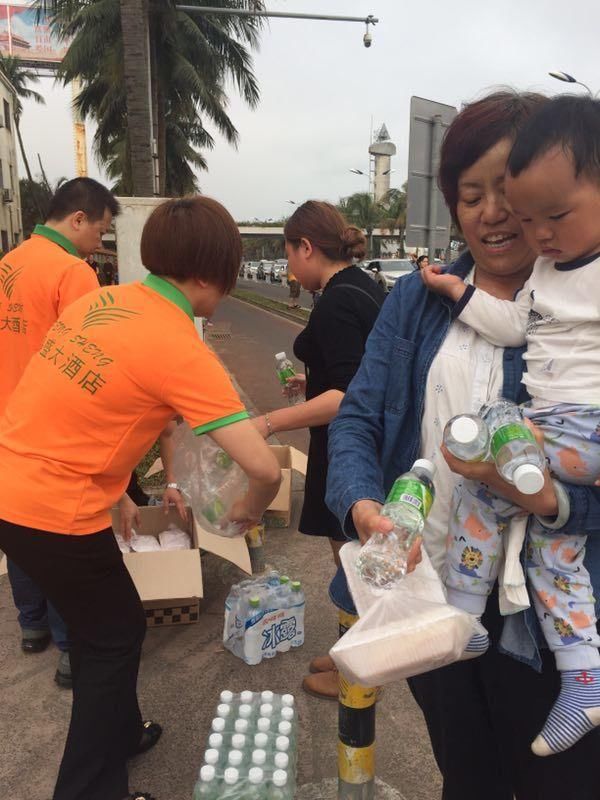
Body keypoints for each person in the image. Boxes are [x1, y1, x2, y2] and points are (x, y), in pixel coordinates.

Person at [326, 91, 600, 799]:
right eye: (469, 194)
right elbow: (357, 419)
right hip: (438, 599)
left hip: (548, 621)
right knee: (466, 778)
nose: (492, 212)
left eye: (506, 190)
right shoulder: (418, 299)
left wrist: (551, 502)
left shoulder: (584, 312)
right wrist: (363, 507)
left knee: (556, 784)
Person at [0, 196, 282, 800]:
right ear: (210, 276)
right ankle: (87, 790)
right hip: (57, 510)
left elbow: (85, 407)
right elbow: (262, 466)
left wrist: (119, 491)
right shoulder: (179, 345)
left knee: (110, 621)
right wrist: (248, 511)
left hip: (12, 487)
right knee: (111, 640)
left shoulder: (103, 300)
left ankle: (123, 732)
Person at [422, 94, 600, 757]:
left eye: (553, 216)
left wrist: (555, 496)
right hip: (553, 434)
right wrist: (454, 294)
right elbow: (514, 323)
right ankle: (584, 676)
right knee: (554, 554)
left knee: (491, 450)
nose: (540, 233)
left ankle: (468, 611)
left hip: (581, 435)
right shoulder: (550, 276)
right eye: (536, 219)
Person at [252, 200, 386, 698]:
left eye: (290, 254)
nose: (288, 267)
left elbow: (348, 394)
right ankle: (350, 650)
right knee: (354, 560)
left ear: (306, 247)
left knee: (352, 562)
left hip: (350, 450)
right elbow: (360, 374)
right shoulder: (361, 287)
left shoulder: (335, 300)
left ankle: (357, 673)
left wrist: (267, 422)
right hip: (367, 445)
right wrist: (314, 380)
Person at [0, 177, 119, 689]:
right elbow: (87, 355)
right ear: (78, 220)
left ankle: (32, 625)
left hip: (7, 423)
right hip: (54, 427)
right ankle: (71, 648)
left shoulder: (8, 264)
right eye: (101, 229)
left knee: (20, 530)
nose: (101, 240)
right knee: (63, 535)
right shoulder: (73, 272)